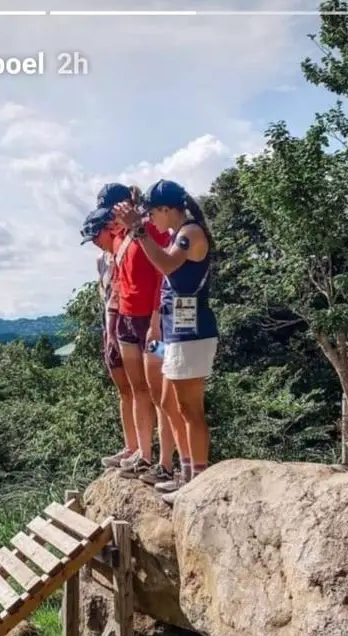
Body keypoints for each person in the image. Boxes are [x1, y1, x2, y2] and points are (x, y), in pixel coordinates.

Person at [114, 179, 218, 498]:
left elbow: (165, 263)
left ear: (166, 209)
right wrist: (156, 326)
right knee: (171, 403)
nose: (151, 220)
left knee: (189, 408)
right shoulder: (178, 234)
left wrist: (138, 230)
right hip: (174, 331)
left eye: (153, 214)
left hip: (192, 331)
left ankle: (195, 480)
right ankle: (185, 474)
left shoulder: (191, 234)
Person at [104, 188, 177, 484]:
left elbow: (165, 274)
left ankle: (166, 463)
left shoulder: (150, 230)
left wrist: (157, 320)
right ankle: (143, 456)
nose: (112, 218)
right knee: (138, 390)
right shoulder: (119, 239)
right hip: (127, 321)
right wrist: (115, 323)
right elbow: (119, 283)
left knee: (161, 392)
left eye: (114, 210)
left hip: (153, 322)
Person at [80, 207, 139, 466]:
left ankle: (145, 451)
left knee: (142, 389)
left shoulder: (123, 252)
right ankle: (130, 446)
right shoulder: (101, 260)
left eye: (96, 235)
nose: (95, 241)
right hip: (110, 329)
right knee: (124, 391)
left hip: (129, 326)